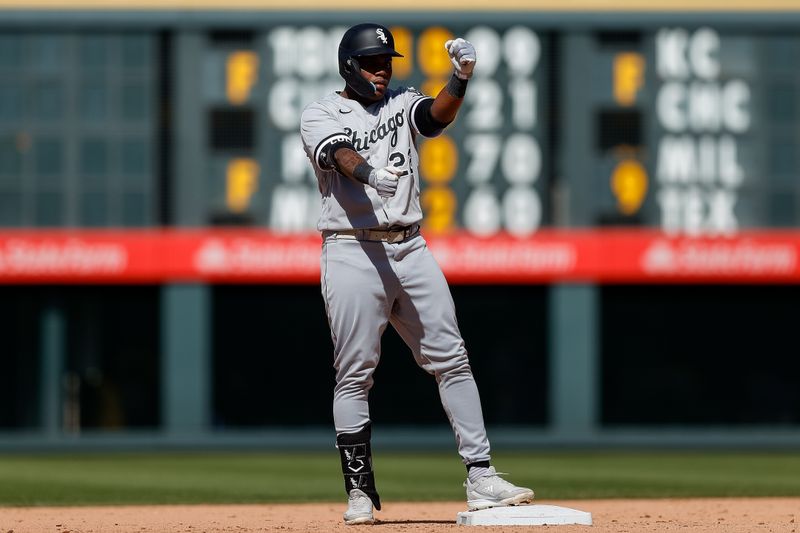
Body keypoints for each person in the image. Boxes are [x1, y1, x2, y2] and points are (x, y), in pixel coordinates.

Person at [300, 22, 534, 525]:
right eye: (372, 63)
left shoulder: (400, 99)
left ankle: (481, 476)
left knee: (453, 358)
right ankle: (359, 492)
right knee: (355, 373)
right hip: (351, 251)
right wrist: (369, 173)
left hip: (410, 245)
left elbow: (432, 118)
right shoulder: (320, 112)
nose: (383, 71)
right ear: (349, 66)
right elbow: (337, 153)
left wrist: (460, 79)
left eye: (387, 62)